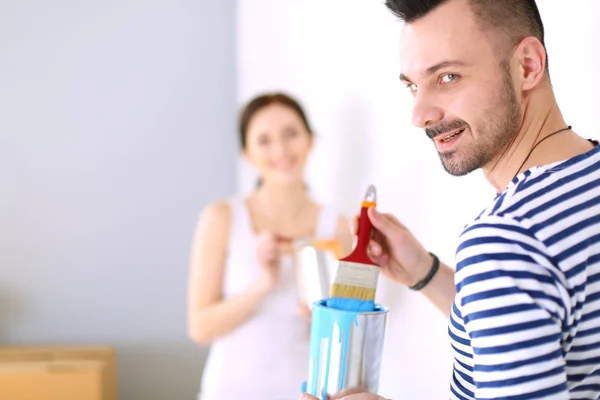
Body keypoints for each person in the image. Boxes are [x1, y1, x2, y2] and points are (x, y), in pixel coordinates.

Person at [299, 0, 600, 399]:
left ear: (527, 65)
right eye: (412, 85)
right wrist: (424, 272)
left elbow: (513, 267)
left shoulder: (505, 240)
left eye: (447, 77)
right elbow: (533, 317)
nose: (419, 114)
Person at [187, 92, 353, 400]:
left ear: (310, 140)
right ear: (247, 154)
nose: (280, 149)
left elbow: (347, 336)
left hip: (305, 392)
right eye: (264, 140)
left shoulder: (338, 227)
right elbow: (200, 328)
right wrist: (264, 283)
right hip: (228, 390)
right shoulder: (221, 218)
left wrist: (321, 320)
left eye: (291, 134)